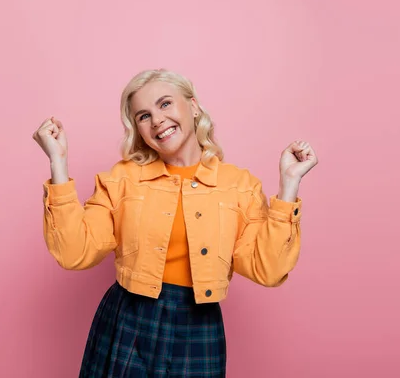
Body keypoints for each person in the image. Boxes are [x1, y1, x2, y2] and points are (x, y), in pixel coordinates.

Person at [32, 69, 318, 377]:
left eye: (165, 104)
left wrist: (288, 187)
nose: (156, 120)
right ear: (138, 129)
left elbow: (269, 270)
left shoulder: (239, 186)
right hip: (129, 320)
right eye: (143, 115)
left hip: (199, 328)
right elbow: (76, 252)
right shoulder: (122, 179)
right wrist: (58, 163)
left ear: (193, 106)